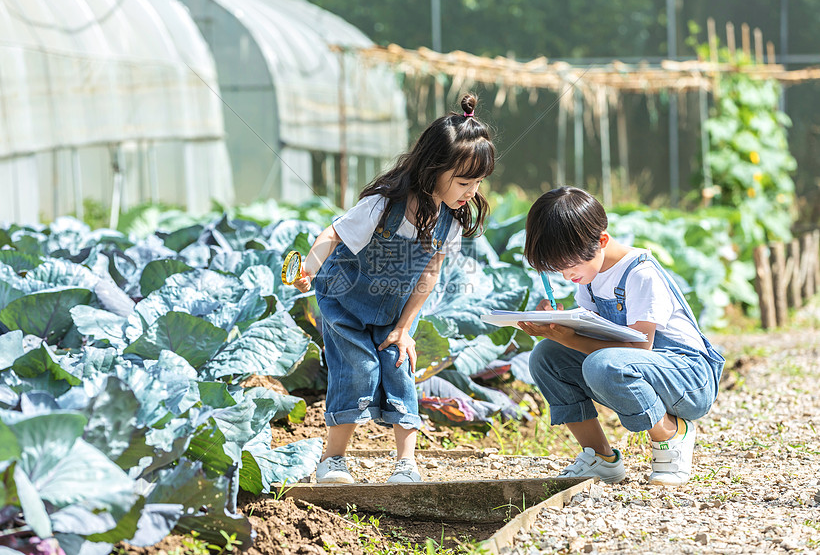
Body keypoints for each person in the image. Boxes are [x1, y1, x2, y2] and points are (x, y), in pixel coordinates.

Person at [293, 94, 495, 484]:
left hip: (394, 310)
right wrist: (310, 267)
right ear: (433, 168)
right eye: (464, 181)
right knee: (358, 369)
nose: (472, 192)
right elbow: (333, 233)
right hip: (344, 301)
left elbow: (430, 274)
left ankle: (406, 464)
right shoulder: (384, 205)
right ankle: (332, 460)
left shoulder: (449, 221)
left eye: (478, 183)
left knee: (400, 367)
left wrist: (405, 328)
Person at [520, 186, 725, 486]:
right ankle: (600, 457)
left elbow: (639, 346)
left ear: (601, 240)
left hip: (689, 378)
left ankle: (671, 434)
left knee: (602, 365)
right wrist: (555, 324)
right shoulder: (590, 278)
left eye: (570, 266)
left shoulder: (640, 273)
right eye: (558, 269)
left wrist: (568, 337)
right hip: (645, 368)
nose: (566, 276)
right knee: (545, 356)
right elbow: (598, 336)